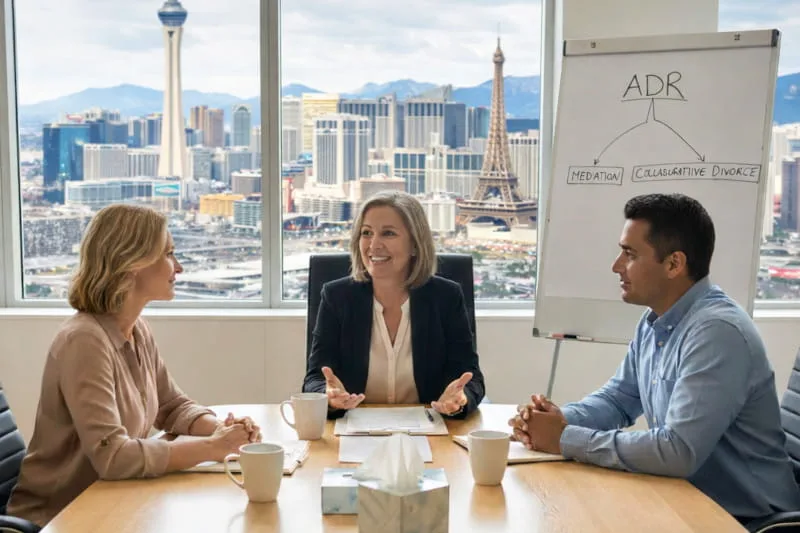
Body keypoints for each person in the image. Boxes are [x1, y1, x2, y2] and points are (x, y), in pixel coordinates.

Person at [510, 193, 800, 523]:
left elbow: (677, 451)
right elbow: (619, 401)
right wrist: (556, 419)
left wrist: (564, 438)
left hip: (747, 520)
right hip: (686, 501)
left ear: (674, 264)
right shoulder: (656, 320)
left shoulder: (717, 332)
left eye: (630, 254)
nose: (616, 266)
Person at [7, 204, 261, 527]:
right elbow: (112, 457)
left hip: (113, 504)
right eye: (168, 254)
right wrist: (212, 448)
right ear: (132, 264)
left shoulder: (136, 328)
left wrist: (225, 431)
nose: (178, 267)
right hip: (59, 518)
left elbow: (171, 406)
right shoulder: (84, 341)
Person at [303, 190, 485, 418]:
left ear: (415, 244)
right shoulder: (337, 297)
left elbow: (470, 378)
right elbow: (315, 379)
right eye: (366, 233)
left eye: (388, 233)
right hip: (353, 432)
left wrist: (459, 399)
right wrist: (328, 396)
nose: (373, 245)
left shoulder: (445, 297)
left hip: (429, 432)